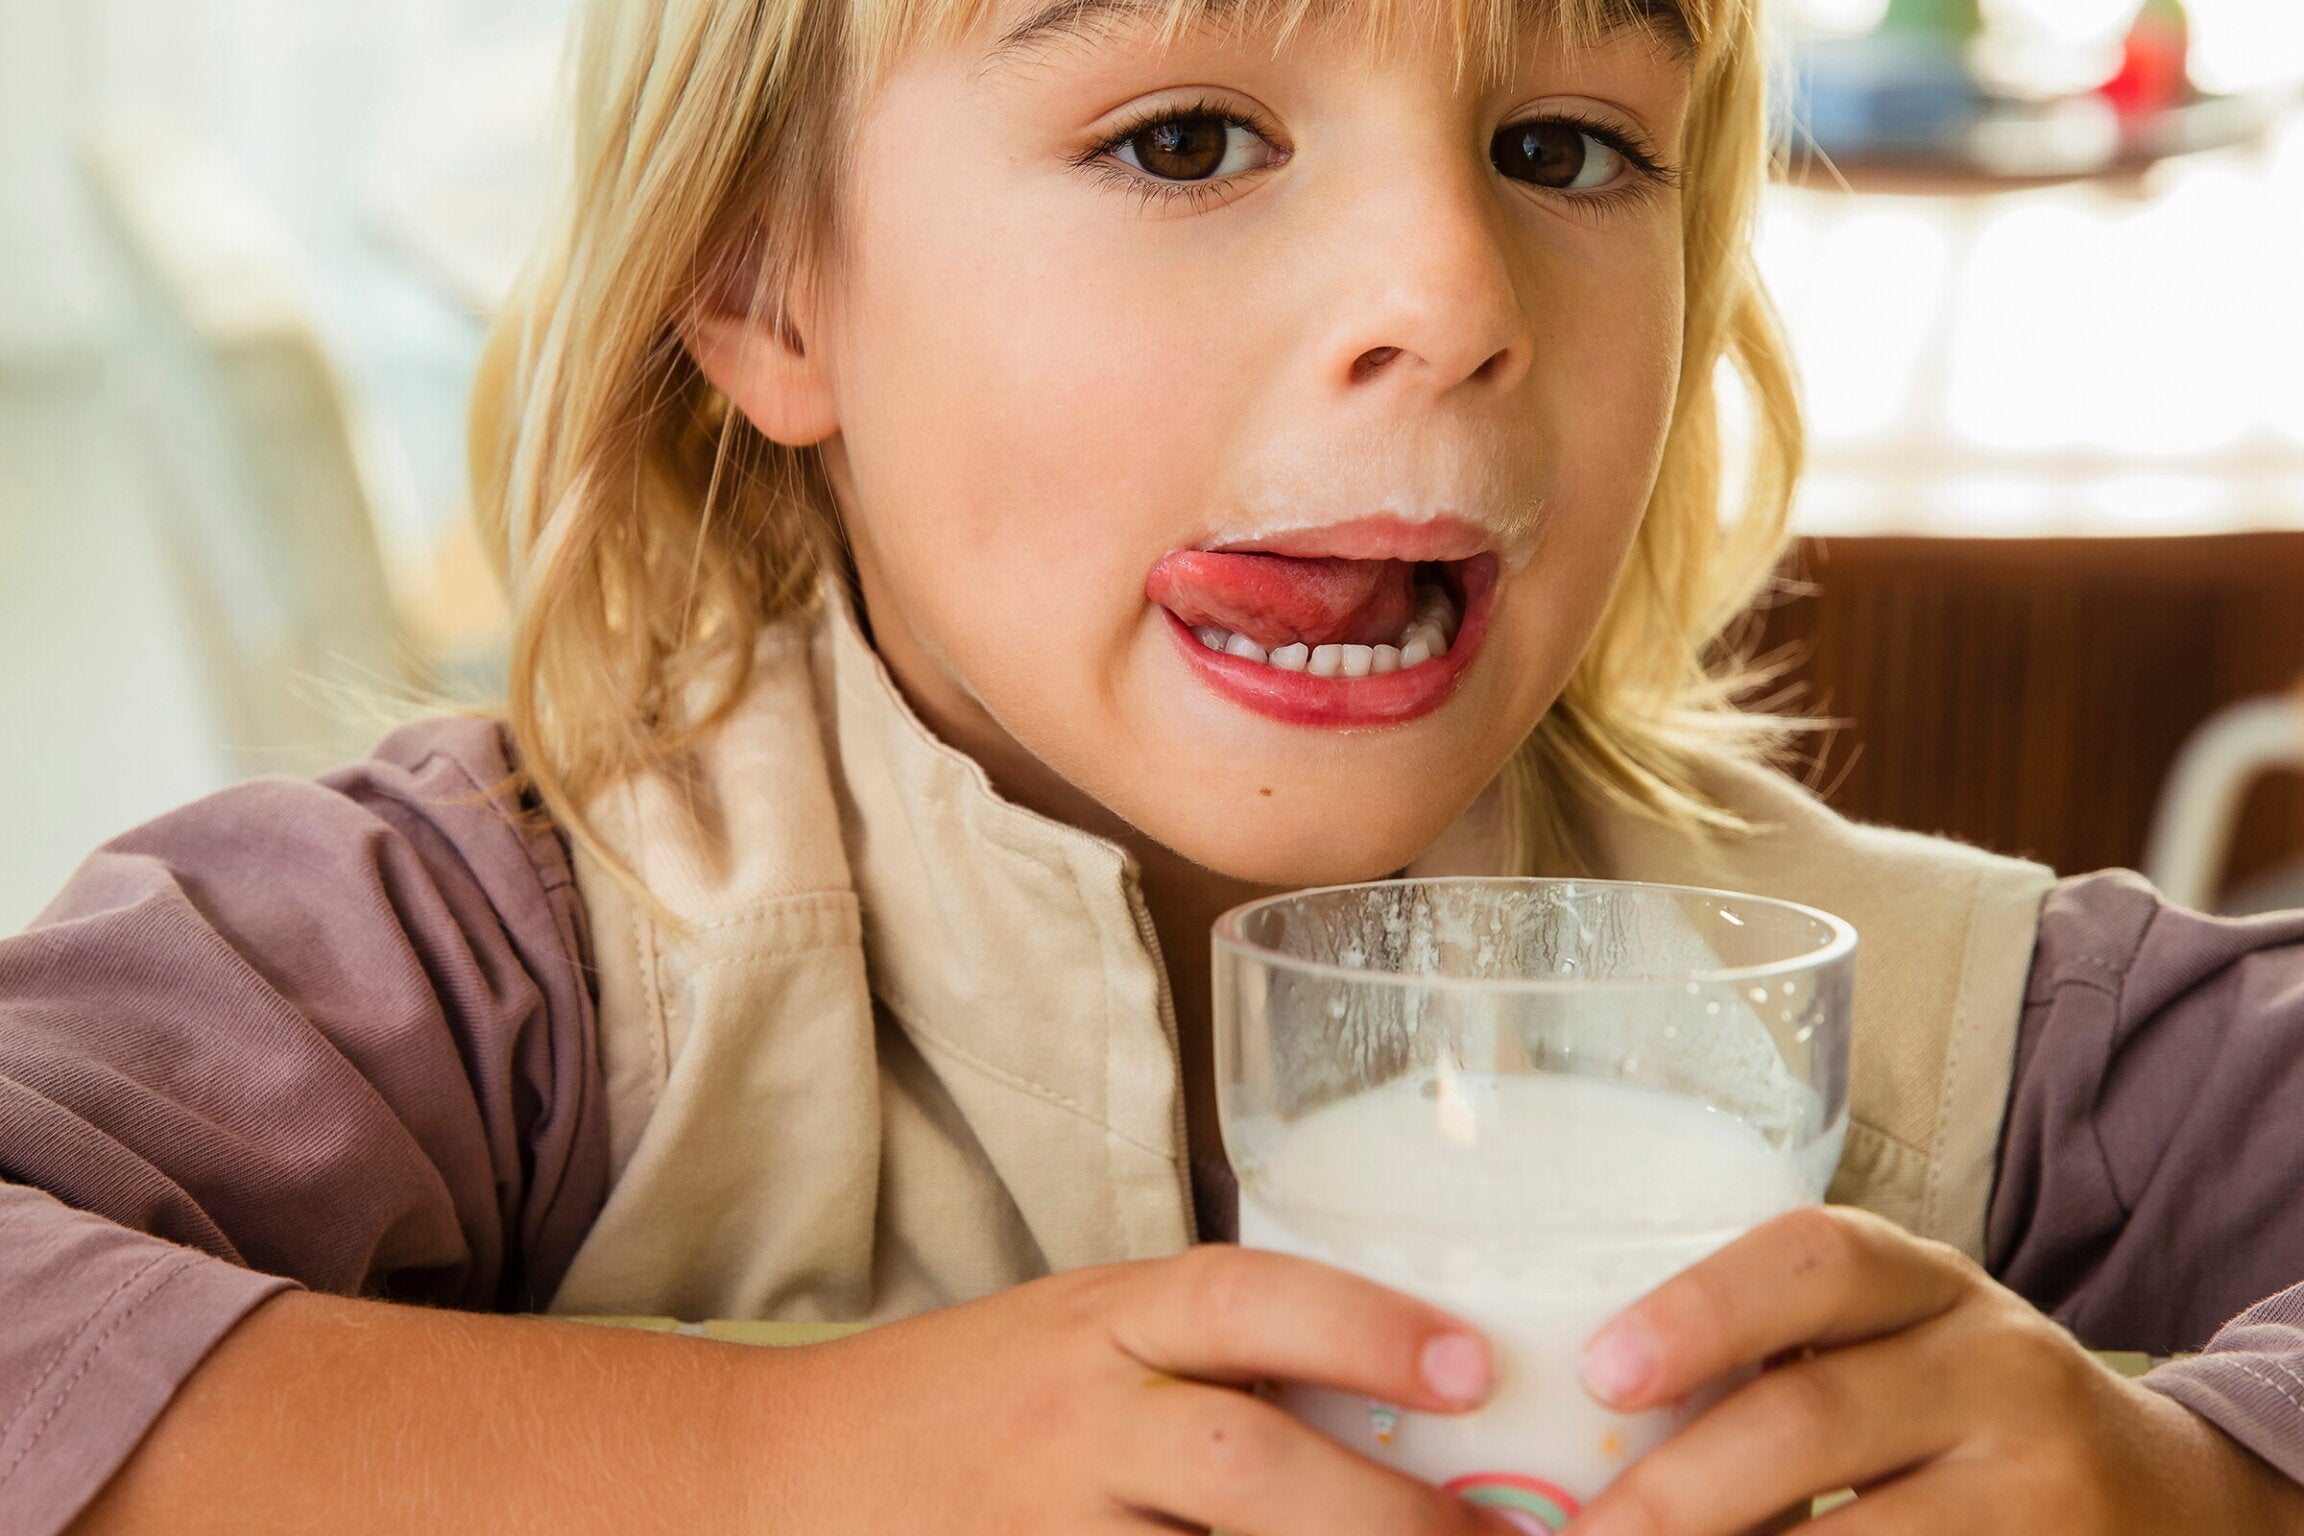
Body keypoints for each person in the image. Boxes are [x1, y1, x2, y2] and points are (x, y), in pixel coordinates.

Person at [5, 0, 2304, 1530]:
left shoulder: (1934, 1035)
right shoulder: (509, 961)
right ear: (771, 285)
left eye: (1563, 144)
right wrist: (777, 1465)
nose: (1451, 296)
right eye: (1185, 139)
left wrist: (2199, 1481)